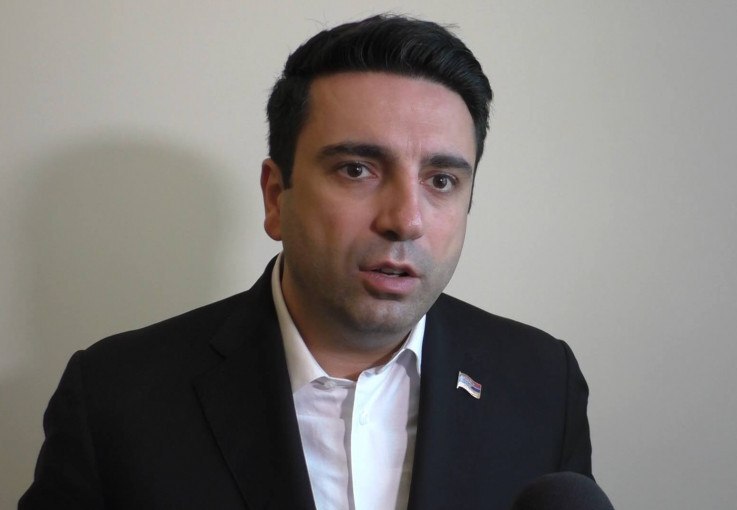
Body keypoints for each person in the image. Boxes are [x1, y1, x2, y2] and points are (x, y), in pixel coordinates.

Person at [20, 14, 593, 510]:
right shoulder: (115, 397)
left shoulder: (543, 383)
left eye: (441, 180)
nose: (405, 219)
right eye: (357, 170)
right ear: (276, 196)